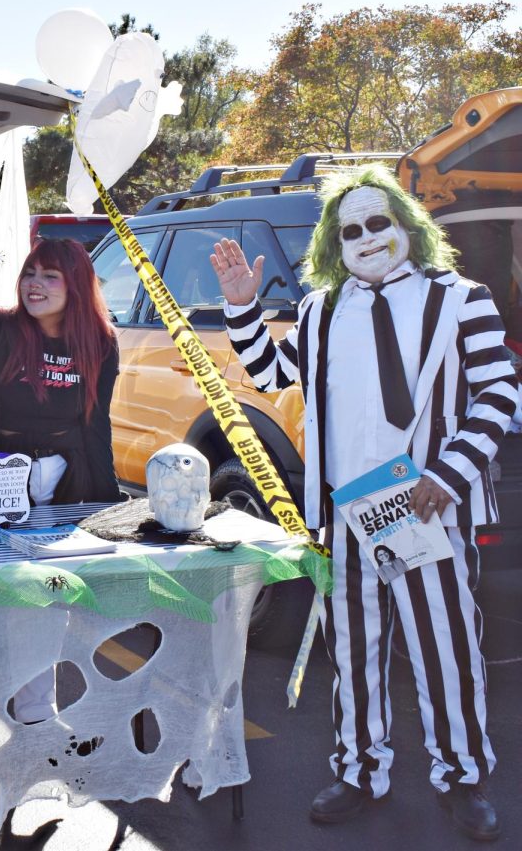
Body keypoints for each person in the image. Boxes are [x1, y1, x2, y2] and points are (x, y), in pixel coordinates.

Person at [211, 164, 517, 841]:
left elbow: (499, 396)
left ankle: (463, 775)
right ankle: (360, 769)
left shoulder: (460, 298)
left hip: (428, 507)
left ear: (407, 225)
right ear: (333, 241)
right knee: (353, 652)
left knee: (446, 648)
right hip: (347, 514)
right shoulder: (323, 307)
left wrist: (450, 471)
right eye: (351, 229)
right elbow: (272, 375)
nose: (367, 237)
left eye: (380, 222)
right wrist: (241, 306)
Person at [0, 237, 121, 506]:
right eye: (29, 273)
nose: (34, 283)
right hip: (5, 470)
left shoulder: (100, 341)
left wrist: (107, 502)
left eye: (50, 275)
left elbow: (96, 422)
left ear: (77, 285)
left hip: (71, 475)